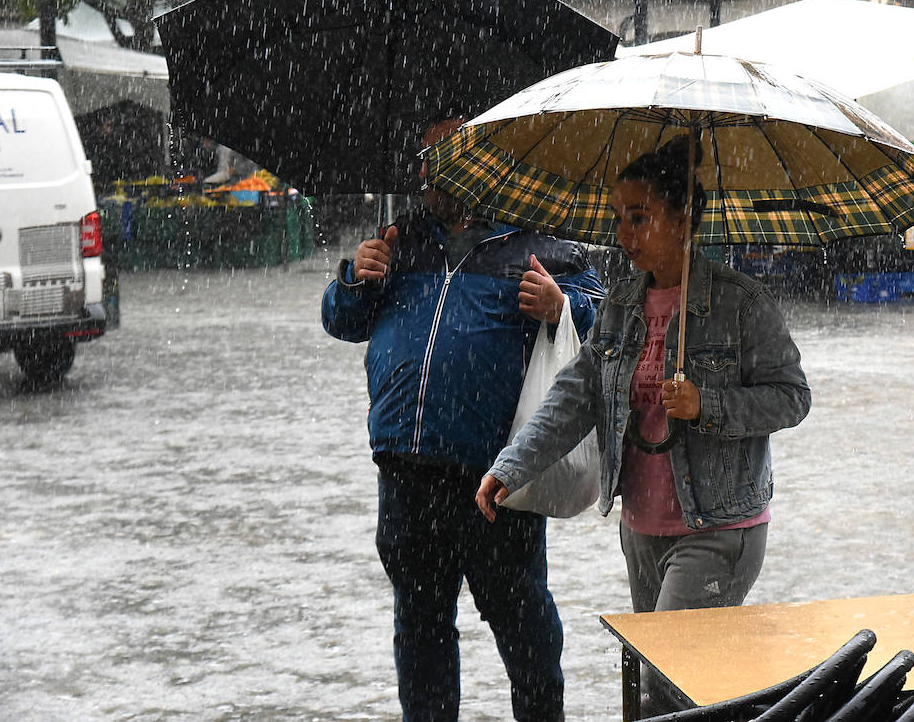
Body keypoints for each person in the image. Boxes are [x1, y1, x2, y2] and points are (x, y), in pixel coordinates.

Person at [473, 136, 811, 710]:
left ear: (683, 218)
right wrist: (513, 465)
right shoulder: (620, 304)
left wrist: (710, 405)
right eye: (618, 219)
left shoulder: (741, 304)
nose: (623, 235)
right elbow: (575, 395)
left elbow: (792, 398)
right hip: (641, 529)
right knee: (664, 689)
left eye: (639, 217)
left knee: (666, 687)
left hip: (718, 530)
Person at [321, 117, 606, 722]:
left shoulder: (537, 240)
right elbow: (342, 321)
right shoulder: (400, 241)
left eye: (442, 158)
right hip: (405, 475)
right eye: (424, 158)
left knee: (524, 627)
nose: (427, 171)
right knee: (421, 633)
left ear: (482, 161)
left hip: (495, 479)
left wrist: (562, 305)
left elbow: (604, 313)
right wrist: (354, 277)